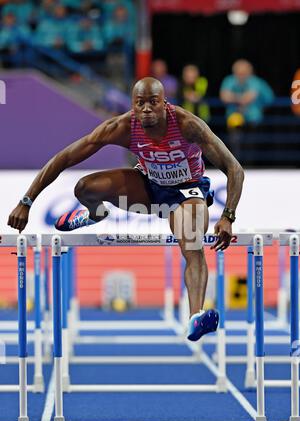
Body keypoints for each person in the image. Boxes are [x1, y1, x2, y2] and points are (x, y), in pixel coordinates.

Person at [7, 77, 244, 342]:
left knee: (192, 241)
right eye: (139, 103)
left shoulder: (187, 125)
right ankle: (96, 214)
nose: (146, 109)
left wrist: (228, 216)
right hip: (148, 187)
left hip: (186, 192)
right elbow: (64, 157)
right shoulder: (122, 126)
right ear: (132, 105)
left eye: (153, 102)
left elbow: (234, 169)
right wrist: (26, 201)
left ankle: (195, 315)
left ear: (164, 103)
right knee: (85, 187)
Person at [220, 59, 274, 125]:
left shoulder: (255, 81)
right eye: (238, 73)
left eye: (244, 73)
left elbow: (249, 98)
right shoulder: (229, 80)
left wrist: (233, 97)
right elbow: (224, 97)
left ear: (250, 72)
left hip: (254, 120)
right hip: (233, 119)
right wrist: (242, 99)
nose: (241, 76)